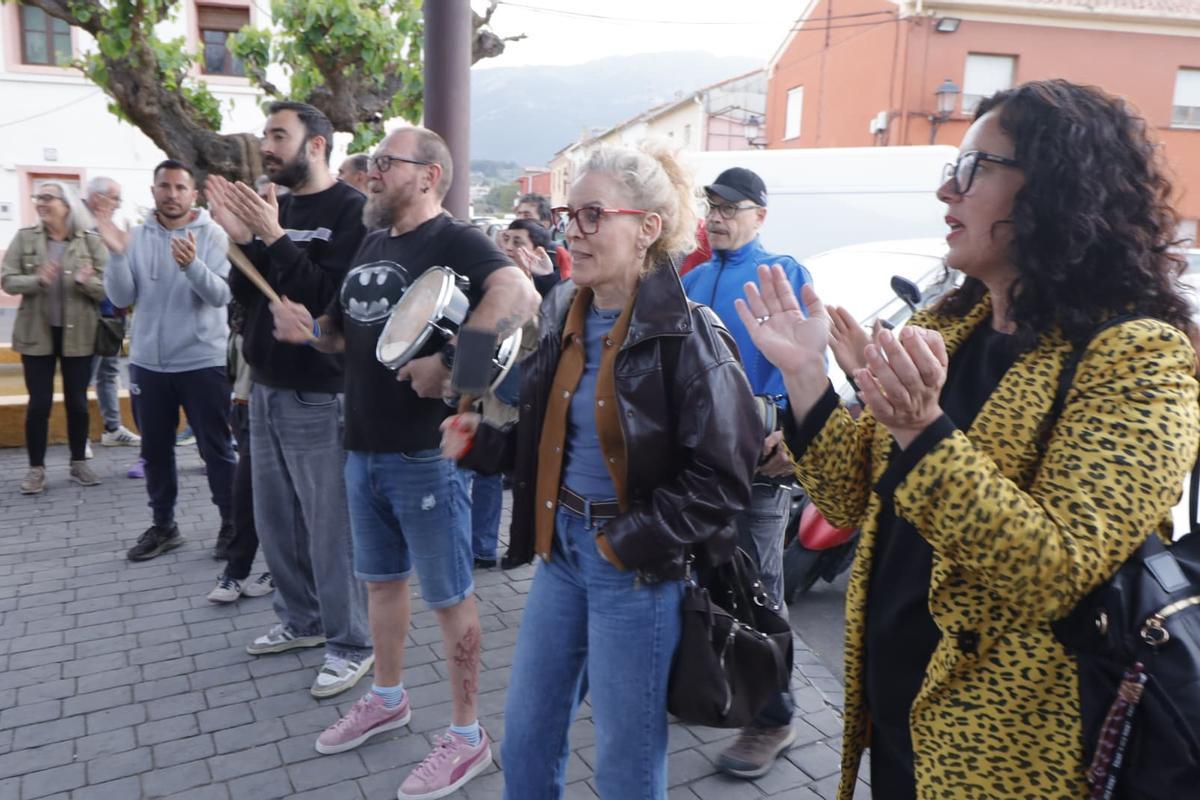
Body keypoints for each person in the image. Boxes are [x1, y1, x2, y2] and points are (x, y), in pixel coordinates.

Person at [740, 79, 1200, 800]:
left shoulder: (1137, 354)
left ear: (1055, 187)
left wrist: (923, 431)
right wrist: (806, 377)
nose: (945, 192)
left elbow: (1054, 570)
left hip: (1015, 745)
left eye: (971, 168)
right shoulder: (953, 327)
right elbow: (846, 498)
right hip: (900, 712)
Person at [442, 142, 761, 799]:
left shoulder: (689, 335)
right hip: (561, 555)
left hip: (636, 572)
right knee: (527, 733)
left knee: (626, 759)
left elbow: (724, 479)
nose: (572, 231)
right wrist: (481, 447)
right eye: (568, 215)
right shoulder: (564, 310)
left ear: (646, 227)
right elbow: (541, 440)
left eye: (592, 215)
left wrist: (623, 543)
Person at [270, 125, 539, 799]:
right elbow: (342, 333)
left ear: (430, 176)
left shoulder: (454, 238)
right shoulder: (372, 241)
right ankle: (388, 697)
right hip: (361, 445)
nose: (373, 173)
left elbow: (521, 296)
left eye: (386, 163)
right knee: (382, 583)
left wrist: (454, 368)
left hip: (425, 455)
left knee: (450, 597)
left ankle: (467, 736)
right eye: (373, 163)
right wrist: (310, 330)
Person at [205, 100, 372, 699]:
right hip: (266, 387)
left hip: (320, 393)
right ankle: (301, 621)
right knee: (277, 522)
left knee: (330, 528)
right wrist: (241, 239)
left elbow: (329, 301)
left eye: (280, 135)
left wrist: (272, 237)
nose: (267, 146)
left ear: (318, 145)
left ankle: (351, 642)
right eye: (266, 134)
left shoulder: (352, 213)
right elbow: (250, 297)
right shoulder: (278, 204)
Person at [680, 166, 812, 777]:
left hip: (760, 463)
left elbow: (808, 361)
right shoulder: (695, 275)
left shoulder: (781, 272)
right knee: (706, 582)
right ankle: (719, 685)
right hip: (698, 465)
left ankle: (775, 716)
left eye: (733, 208)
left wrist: (790, 425)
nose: (719, 216)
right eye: (712, 206)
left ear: (760, 215)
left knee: (760, 587)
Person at [96, 160, 236, 562]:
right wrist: (117, 254)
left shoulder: (214, 234)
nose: (172, 194)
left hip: (202, 362)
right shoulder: (136, 236)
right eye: (164, 186)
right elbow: (122, 299)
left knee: (217, 449)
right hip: (148, 365)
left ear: (193, 194)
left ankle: (230, 523)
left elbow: (220, 296)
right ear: (153, 190)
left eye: (180, 187)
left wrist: (192, 265)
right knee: (155, 451)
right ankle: (164, 526)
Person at [2, 182, 106, 494]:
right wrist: (37, 280)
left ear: (66, 204)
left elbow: (107, 289)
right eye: (38, 197)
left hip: (79, 335)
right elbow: (7, 281)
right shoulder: (25, 238)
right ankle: (36, 469)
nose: (40, 203)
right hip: (37, 334)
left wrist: (86, 283)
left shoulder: (89, 241)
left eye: (48, 197)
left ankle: (78, 463)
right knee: (39, 404)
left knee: (77, 403)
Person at [206, 299, 275, 601]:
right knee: (245, 491)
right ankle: (236, 572)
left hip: (283, 400)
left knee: (282, 496)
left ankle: (282, 568)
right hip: (245, 399)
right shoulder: (245, 291)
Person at [82, 177, 142, 449]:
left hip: (114, 316)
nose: (118, 203)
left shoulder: (113, 226)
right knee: (81, 378)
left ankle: (112, 429)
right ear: (97, 198)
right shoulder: (81, 227)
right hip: (89, 316)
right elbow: (80, 274)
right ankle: (78, 437)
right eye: (114, 198)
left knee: (109, 373)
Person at [515, 191, 573, 279]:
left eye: (527, 215)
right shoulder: (508, 249)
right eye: (518, 214)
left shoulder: (556, 253)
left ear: (545, 223)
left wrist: (547, 276)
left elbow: (565, 288)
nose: (519, 219)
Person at [499, 218, 560, 296]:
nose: (508, 247)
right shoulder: (493, 276)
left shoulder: (554, 283)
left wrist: (546, 276)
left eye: (517, 242)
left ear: (538, 251)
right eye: (506, 240)